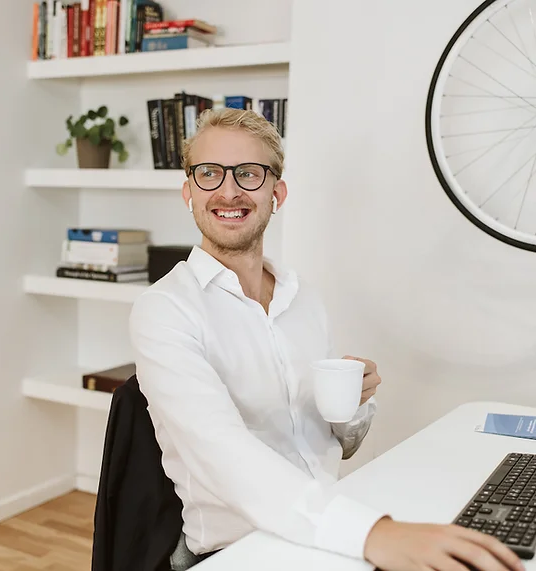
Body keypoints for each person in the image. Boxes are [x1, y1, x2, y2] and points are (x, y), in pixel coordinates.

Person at [128, 108, 524, 571]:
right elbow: (222, 455)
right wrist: (376, 534)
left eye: (249, 174)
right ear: (188, 191)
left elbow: (340, 442)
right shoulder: (164, 310)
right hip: (238, 551)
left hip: (327, 528)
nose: (228, 190)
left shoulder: (304, 299)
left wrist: (354, 404)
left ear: (277, 194)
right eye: (209, 173)